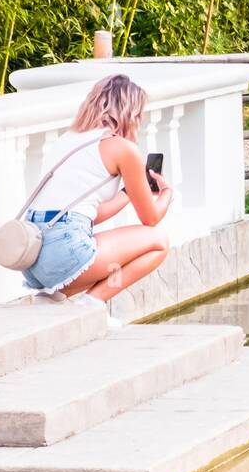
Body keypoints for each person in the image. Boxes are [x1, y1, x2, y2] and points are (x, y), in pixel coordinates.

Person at [21, 74, 173, 313]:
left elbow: (87, 214)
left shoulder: (67, 140)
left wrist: (127, 193)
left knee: (102, 252)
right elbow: (150, 218)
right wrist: (166, 192)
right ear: (130, 112)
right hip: (65, 252)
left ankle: (51, 296)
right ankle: (91, 304)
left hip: (32, 257)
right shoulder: (123, 148)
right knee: (158, 242)